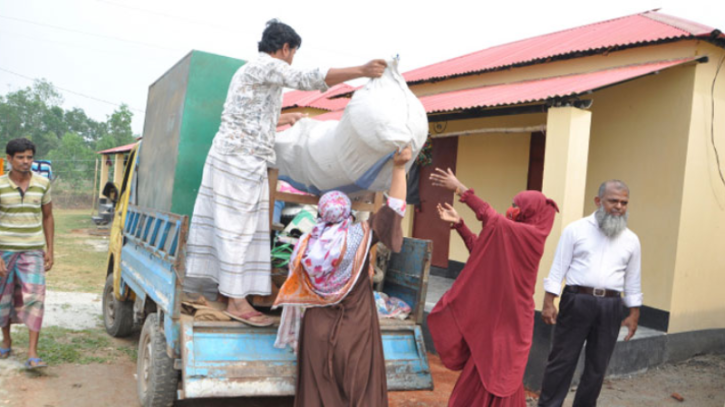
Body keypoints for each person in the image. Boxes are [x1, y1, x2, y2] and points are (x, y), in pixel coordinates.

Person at [183, 19, 387, 326]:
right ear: (286, 48)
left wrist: (286, 116)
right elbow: (306, 78)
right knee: (237, 229)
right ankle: (237, 303)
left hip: (237, 158)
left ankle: (231, 295)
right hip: (239, 161)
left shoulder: (250, 73)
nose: (292, 59)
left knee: (238, 227)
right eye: (293, 53)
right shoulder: (266, 65)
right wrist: (362, 70)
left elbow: (249, 114)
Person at [273, 145, 412, 406]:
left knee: (317, 394)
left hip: (315, 333)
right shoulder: (359, 236)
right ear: (347, 212)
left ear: (322, 213)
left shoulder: (306, 244)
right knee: (358, 392)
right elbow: (394, 209)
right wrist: (399, 168)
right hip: (355, 331)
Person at [427, 168, 559, 407]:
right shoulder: (513, 233)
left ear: (529, 211)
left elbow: (490, 216)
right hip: (494, 316)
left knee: (504, 373)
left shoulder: (532, 235)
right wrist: (460, 225)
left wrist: (461, 189)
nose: (511, 210)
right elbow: (480, 251)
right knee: (483, 364)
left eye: (516, 205)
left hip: (514, 320)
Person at [538, 180, 642, 407]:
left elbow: (633, 280)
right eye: (613, 201)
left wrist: (634, 313)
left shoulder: (631, 240)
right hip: (577, 301)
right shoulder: (575, 230)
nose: (619, 206)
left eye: (624, 202)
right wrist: (548, 302)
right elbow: (558, 268)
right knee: (562, 360)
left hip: (611, 307)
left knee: (598, 366)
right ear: (598, 201)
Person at [0, 138, 54, 369]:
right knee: (4, 298)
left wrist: (50, 249)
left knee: (35, 298)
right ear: (9, 159)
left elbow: (48, 217)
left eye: (29, 157)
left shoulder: (43, 183)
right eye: (20, 157)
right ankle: (7, 339)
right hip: (5, 250)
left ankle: (32, 353)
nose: (25, 161)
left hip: (33, 251)